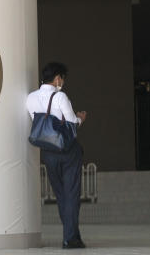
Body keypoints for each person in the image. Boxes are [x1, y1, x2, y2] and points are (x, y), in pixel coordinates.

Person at [27, 62, 88, 249]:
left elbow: (36, 120)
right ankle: (70, 239)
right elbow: (71, 124)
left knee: (61, 195)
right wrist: (80, 119)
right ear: (57, 78)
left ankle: (73, 236)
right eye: (62, 78)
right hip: (67, 151)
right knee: (71, 194)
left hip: (48, 152)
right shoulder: (60, 96)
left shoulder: (31, 98)